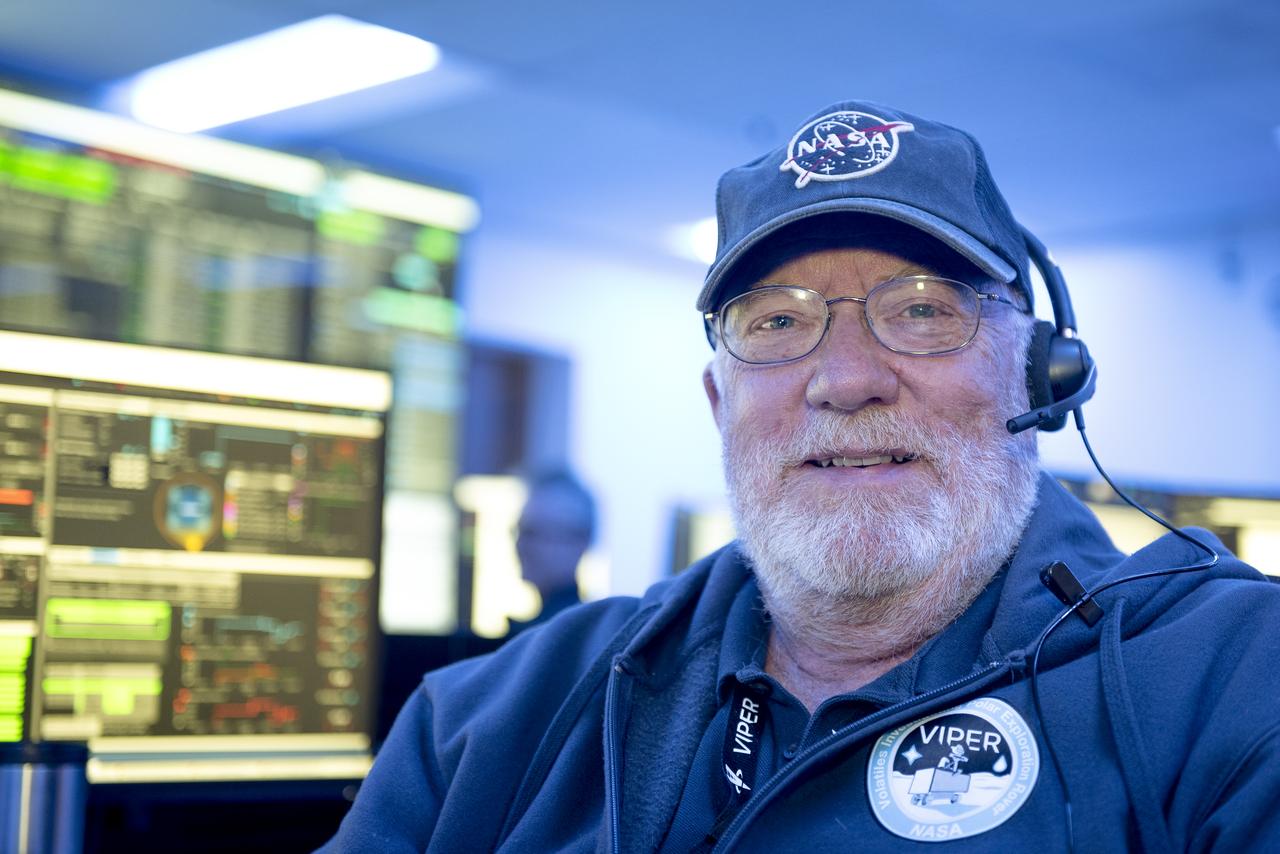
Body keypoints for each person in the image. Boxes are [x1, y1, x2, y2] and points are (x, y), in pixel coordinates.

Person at [322, 100, 1280, 852]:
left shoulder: (1231, 682)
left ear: (1037, 377)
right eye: (776, 322)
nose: (846, 379)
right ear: (720, 402)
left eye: (920, 311)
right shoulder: (486, 726)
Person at [508, 469, 596, 631]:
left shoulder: (573, 636)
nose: (520, 545)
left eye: (532, 533)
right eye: (518, 531)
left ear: (579, 542)